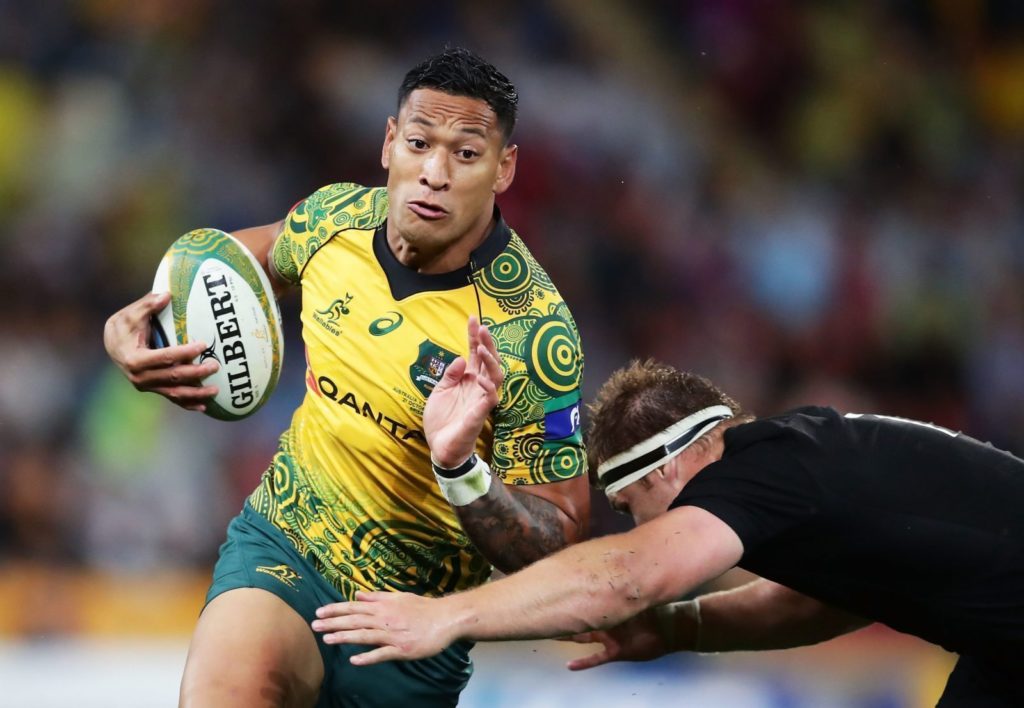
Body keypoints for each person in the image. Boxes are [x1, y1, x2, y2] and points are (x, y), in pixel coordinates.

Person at [102, 47, 590, 708]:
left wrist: (458, 468)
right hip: (284, 547)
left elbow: (556, 545)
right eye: (419, 144)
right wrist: (135, 329)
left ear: (504, 168)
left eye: (466, 154)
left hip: (412, 627)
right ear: (390, 143)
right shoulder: (332, 221)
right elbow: (222, 270)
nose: (435, 174)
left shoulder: (534, 333)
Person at [313, 359, 1024, 707]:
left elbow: (626, 577)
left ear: (670, 466)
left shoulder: (752, 476)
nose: (641, 529)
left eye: (629, 507)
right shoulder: (797, 469)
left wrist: (447, 617)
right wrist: (680, 628)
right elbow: (821, 603)